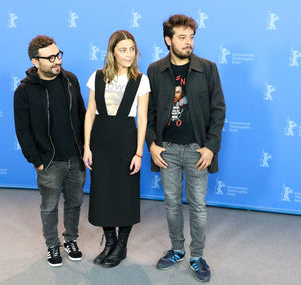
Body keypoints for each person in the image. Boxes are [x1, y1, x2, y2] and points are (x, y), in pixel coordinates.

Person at [146, 15, 226, 282]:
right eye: (182, 37)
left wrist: (210, 147)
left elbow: (218, 110)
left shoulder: (208, 68)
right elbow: (149, 111)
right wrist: (152, 145)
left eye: (191, 37)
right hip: (166, 149)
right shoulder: (155, 70)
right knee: (171, 205)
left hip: (197, 151)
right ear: (168, 40)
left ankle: (196, 255)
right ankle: (177, 249)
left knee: (198, 207)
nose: (188, 42)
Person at [14, 35, 86, 267]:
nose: (58, 61)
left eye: (59, 55)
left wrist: (85, 148)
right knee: (49, 206)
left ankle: (71, 240)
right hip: (49, 161)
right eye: (51, 57)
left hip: (76, 158)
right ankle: (52, 245)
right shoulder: (24, 92)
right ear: (36, 62)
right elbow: (22, 131)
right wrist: (37, 161)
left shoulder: (70, 80)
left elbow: (82, 115)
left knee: (74, 203)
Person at [83, 30, 150, 268]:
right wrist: (87, 147)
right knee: (102, 194)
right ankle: (109, 242)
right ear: (112, 52)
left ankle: (121, 246)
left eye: (132, 49)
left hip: (126, 140)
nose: (129, 54)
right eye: (123, 49)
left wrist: (139, 152)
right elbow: (90, 113)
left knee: (125, 195)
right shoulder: (97, 77)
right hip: (100, 140)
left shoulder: (141, 80)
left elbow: (142, 119)